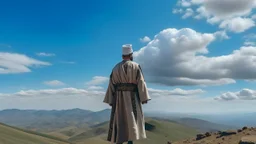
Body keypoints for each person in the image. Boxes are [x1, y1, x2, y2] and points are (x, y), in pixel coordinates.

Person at [103, 44, 151, 144]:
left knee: (120, 120)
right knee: (131, 120)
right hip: (132, 96)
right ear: (131, 54)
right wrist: (144, 98)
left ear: (122, 56)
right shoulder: (136, 66)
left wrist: (110, 100)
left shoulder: (115, 68)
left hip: (118, 99)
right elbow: (141, 82)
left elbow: (111, 84)